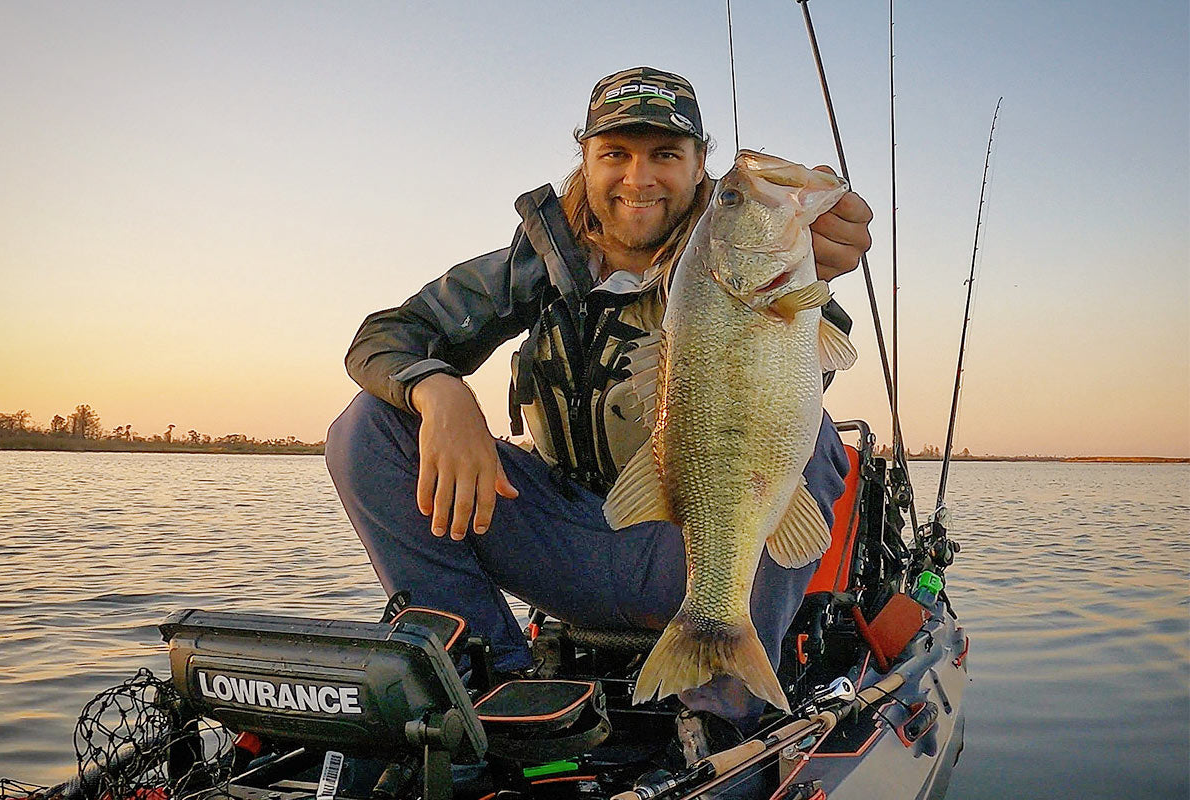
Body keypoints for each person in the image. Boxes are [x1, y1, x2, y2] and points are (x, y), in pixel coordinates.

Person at [326, 66, 872, 751]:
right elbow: (382, 337)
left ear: (700, 163)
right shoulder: (535, 263)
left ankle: (720, 707)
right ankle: (485, 674)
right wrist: (439, 389)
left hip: (684, 544)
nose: (639, 179)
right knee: (365, 427)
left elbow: (809, 355)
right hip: (560, 541)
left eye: (666, 156)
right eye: (616, 154)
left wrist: (818, 259)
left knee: (810, 438)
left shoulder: (736, 258)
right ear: (583, 159)